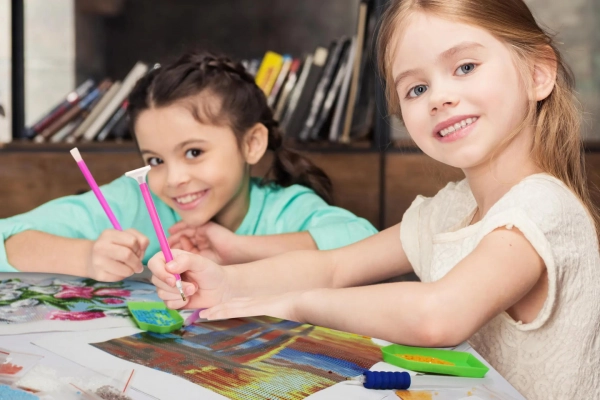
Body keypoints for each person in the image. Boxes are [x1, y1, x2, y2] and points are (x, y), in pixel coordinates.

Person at [148, 1, 600, 398]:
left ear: (538, 73)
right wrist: (227, 282)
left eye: (465, 67)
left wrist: (295, 304)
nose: (439, 98)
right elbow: (335, 267)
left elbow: (437, 315)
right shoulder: (451, 209)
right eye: (416, 89)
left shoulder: (542, 206)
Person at [0, 52, 377, 281]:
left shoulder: (285, 209)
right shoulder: (133, 201)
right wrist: (86, 258)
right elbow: (7, 237)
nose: (175, 179)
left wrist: (238, 249)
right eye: (155, 160)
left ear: (251, 143)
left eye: (194, 152)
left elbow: (366, 245)